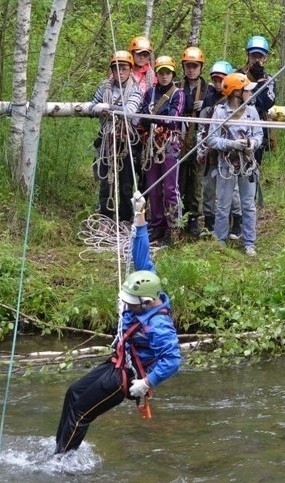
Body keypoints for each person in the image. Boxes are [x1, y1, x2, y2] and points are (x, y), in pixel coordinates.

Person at [54, 193, 181, 454]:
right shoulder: (149, 286)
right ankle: (59, 450)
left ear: (146, 302)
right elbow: (142, 256)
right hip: (117, 361)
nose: (127, 304)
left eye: (131, 302)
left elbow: (173, 359)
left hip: (125, 378)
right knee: (72, 393)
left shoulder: (158, 326)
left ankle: (63, 463)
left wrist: (147, 384)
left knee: (81, 412)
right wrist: (140, 217)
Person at [207, 73, 263, 256]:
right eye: (246, 90)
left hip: (247, 164)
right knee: (223, 204)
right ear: (235, 92)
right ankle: (220, 240)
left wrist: (252, 144)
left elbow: (258, 134)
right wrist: (230, 144)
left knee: (248, 204)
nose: (249, 93)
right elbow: (211, 139)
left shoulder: (251, 112)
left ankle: (249, 242)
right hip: (226, 165)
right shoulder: (220, 112)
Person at [137, 55, 185, 247]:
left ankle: (174, 227)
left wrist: (153, 118)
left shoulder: (177, 94)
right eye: (161, 73)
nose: (164, 76)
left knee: (171, 189)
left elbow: (174, 117)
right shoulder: (150, 93)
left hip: (169, 145)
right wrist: (148, 119)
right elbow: (141, 115)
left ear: (172, 74)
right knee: (154, 189)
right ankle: (157, 226)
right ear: (156, 74)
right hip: (151, 145)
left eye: (167, 73)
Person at [89, 50, 143, 222]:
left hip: (125, 140)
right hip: (107, 138)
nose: (120, 72)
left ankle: (126, 218)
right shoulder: (104, 87)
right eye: (117, 68)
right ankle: (105, 217)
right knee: (105, 179)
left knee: (126, 181)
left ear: (130, 70)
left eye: (124, 68)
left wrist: (109, 108)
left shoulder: (135, 90)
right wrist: (97, 108)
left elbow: (130, 111)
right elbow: (92, 106)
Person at [197, 60, 243, 237]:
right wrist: (201, 149)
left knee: (234, 190)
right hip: (211, 150)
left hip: (229, 152)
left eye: (221, 80)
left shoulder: (235, 102)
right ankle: (209, 222)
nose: (218, 84)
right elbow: (202, 127)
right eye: (215, 80)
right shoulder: (208, 101)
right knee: (208, 186)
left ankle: (237, 222)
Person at [177, 46, 208, 239]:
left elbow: (218, 106)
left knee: (196, 182)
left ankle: (194, 218)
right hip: (179, 140)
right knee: (179, 180)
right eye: (188, 66)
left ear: (200, 68)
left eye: (195, 66)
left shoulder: (208, 90)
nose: (191, 70)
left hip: (198, 139)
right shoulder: (176, 87)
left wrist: (206, 105)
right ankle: (178, 215)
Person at [237, 35, 276, 159]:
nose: (256, 60)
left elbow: (267, 103)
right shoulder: (237, 75)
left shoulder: (269, 79)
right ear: (247, 55)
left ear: (265, 58)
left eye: (260, 56)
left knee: (254, 169)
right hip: (237, 125)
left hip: (258, 129)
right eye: (253, 56)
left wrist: (260, 80)